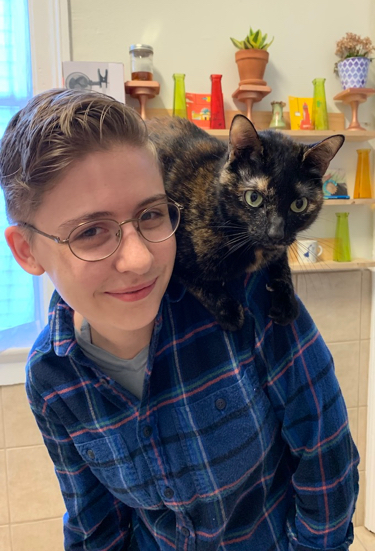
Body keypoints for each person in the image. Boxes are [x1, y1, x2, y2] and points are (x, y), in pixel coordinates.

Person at [1, 88, 359, 551]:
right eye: (90, 231)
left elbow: (326, 463)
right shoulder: (52, 377)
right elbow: (96, 528)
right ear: (26, 251)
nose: (137, 259)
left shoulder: (254, 301)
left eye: (152, 214)